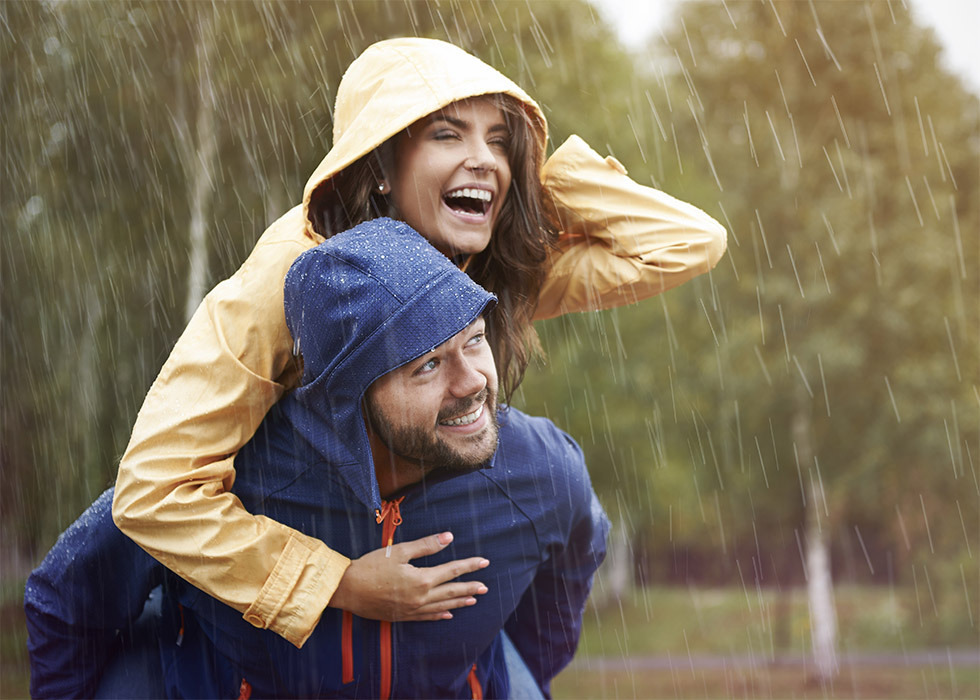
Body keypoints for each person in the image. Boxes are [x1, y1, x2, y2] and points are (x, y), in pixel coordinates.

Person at [111, 36, 727, 649]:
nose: (485, 157)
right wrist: (339, 583)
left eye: (498, 139)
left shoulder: (483, 265)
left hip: (433, 596)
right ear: (379, 167)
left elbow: (686, 242)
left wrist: (530, 184)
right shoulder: (286, 280)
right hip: (259, 631)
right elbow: (154, 492)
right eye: (447, 134)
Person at [27, 219, 608, 698]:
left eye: (474, 340)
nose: (472, 383)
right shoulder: (218, 481)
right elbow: (65, 599)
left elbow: (559, 599)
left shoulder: (540, 471)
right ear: (348, 396)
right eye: (426, 365)